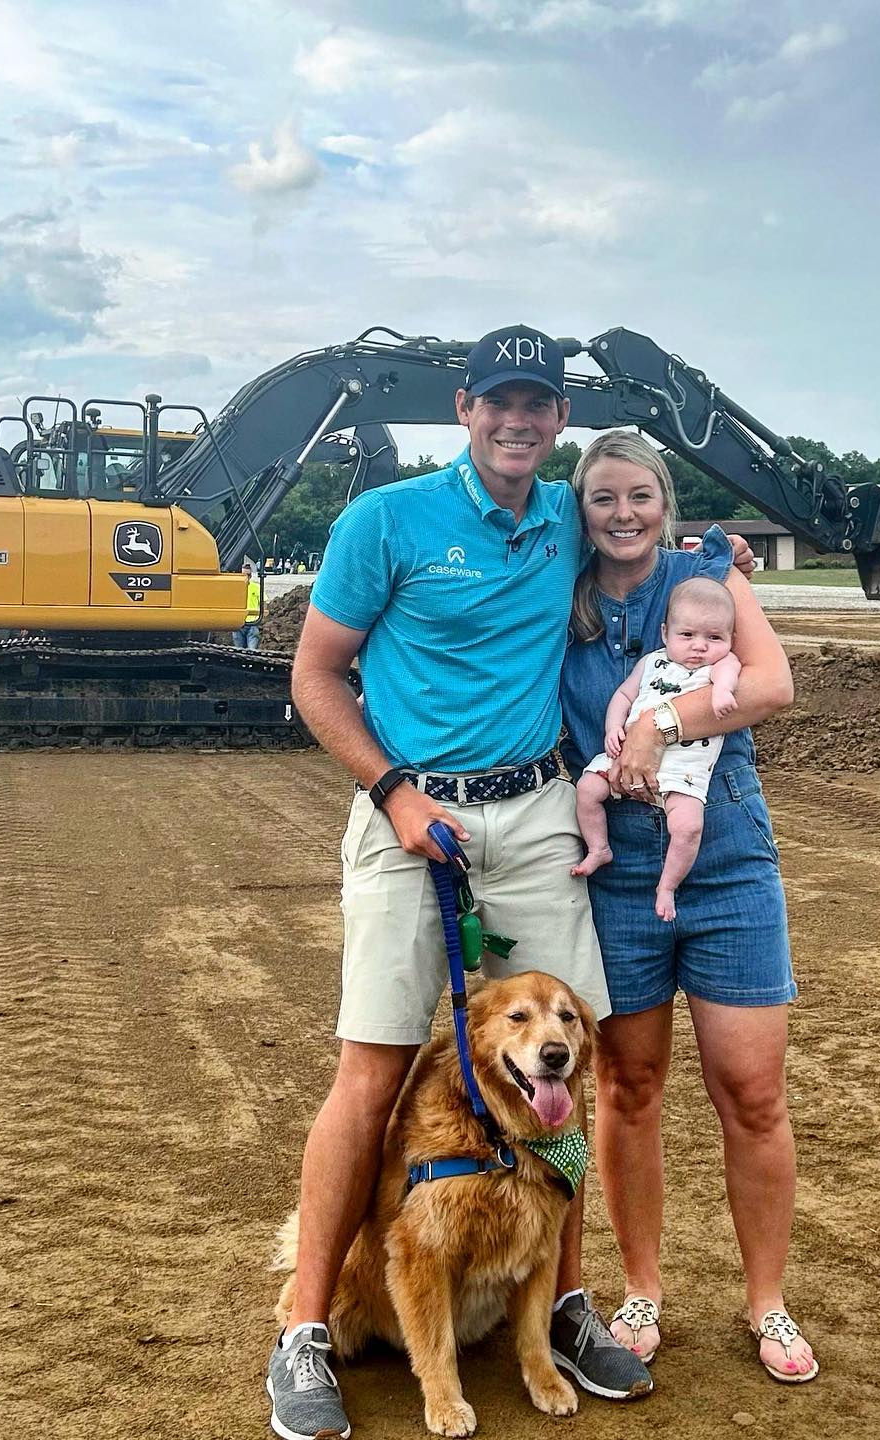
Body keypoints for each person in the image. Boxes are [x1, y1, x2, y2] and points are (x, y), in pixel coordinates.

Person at [272, 325, 654, 1440]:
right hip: (411, 813)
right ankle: (303, 1328)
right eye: (501, 402)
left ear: (558, 419)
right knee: (374, 1071)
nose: (519, 421)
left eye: (539, 404)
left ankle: (565, 1302)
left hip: (535, 814)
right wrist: (393, 792)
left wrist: (715, 558)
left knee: (567, 1059)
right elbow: (316, 671)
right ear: (465, 406)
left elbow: (644, 546)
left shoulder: (562, 519)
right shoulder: (384, 521)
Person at [559, 430, 818, 1383]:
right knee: (628, 1089)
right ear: (580, 511)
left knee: (751, 1093)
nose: (623, 515)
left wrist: (662, 723)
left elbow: (771, 684)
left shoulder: (710, 581)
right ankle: (641, 1288)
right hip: (611, 871)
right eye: (603, 500)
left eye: (640, 497)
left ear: (666, 503)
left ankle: (768, 1304)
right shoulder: (559, 588)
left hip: (727, 860)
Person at [572, 577, 741, 921]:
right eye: (687, 635)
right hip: (625, 757)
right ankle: (599, 847)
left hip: (683, 773)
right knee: (587, 789)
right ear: (665, 633)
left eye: (714, 637)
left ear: (729, 640)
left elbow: (731, 671)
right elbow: (623, 695)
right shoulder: (652, 663)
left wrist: (723, 691)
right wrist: (612, 728)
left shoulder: (718, 666)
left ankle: (667, 886)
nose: (699, 647)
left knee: (688, 827)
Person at [233, 561, 262, 649]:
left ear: (250, 576)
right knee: (238, 651)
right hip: (238, 623)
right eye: (243, 575)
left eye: (248, 575)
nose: (246, 577)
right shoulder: (235, 588)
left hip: (253, 623)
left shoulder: (256, 587)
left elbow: (263, 603)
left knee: (252, 651)